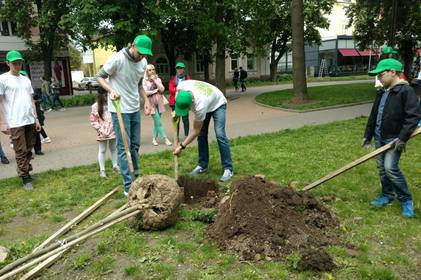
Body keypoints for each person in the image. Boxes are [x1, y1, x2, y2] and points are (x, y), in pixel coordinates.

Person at [363, 58, 421, 218]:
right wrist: (368, 135)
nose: (379, 79)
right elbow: (374, 115)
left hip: (395, 139)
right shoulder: (381, 92)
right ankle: (387, 195)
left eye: (381, 75)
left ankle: (406, 199)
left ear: (393, 72)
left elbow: (413, 116)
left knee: (390, 168)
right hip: (379, 136)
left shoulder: (405, 91)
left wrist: (402, 138)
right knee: (382, 169)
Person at [96, 34, 152, 196]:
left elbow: (139, 85)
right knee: (123, 147)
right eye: (140, 52)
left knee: (134, 146)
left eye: (145, 54)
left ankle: (136, 178)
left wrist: (146, 101)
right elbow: (99, 76)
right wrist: (111, 90)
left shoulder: (143, 62)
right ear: (133, 46)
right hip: (119, 109)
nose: (142, 56)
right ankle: (129, 186)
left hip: (134, 108)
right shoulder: (118, 59)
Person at [172, 80, 233, 182]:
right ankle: (202, 165)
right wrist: (176, 113)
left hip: (218, 103)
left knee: (220, 134)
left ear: (191, 102)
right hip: (208, 99)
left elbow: (195, 131)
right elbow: (177, 97)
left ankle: (228, 169)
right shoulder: (181, 86)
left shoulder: (200, 105)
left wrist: (181, 146)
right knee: (202, 135)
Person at [0, 50, 41, 190]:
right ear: (8, 63)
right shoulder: (3, 79)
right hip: (15, 122)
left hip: (29, 120)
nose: (18, 65)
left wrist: (36, 119)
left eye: (19, 62)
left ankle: (26, 171)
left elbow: (31, 100)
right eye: (14, 63)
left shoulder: (25, 79)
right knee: (20, 150)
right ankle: (25, 177)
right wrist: (2, 123)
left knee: (29, 148)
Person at [90, 88, 119, 178]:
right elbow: (93, 121)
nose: (107, 96)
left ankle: (115, 166)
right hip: (103, 133)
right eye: (106, 95)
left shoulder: (112, 103)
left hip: (113, 131)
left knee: (114, 148)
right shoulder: (95, 106)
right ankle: (102, 170)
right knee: (102, 150)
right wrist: (101, 130)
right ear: (101, 95)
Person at [142, 64, 172, 146]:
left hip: (159, 102)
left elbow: (162, 89)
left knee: (156, 122)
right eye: (149, 70)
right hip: (151, 103)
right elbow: (145, 92)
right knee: (158, 122)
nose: (152, 71)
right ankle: (165, 139)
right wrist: (155, 91)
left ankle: (154, 139)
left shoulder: (158, 79)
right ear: (146, 71)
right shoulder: (144, 80)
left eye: (153, 69)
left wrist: (155, 81)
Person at [169, 62, 190, 139]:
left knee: (185, 119)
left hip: (184, 101)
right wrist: (180, 90)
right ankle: (176, 135)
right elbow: (171, 90)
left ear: (183, 69)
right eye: (178, 68)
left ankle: (186, 135)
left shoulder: (187, 78)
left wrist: (177, 90)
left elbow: (189, 88)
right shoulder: (173, 78)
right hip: (174, 102)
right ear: (176, 69)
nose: (179, 69)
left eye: (181, 68)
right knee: (175, 119)